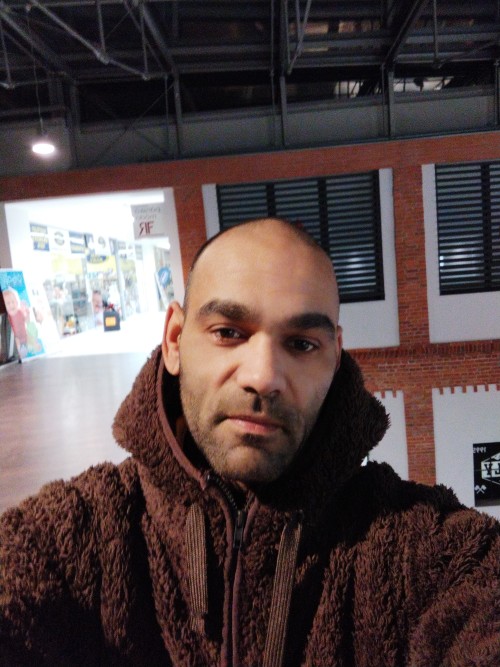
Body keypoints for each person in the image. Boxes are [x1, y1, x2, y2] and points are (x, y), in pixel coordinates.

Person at [0, 218, 498, 667]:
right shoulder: (76, 537)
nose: (263, 377)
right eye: (228, 332)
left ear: (335, 358)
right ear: (174, 340)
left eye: (301, 344)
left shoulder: (420, 549)